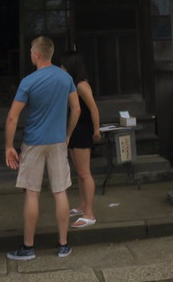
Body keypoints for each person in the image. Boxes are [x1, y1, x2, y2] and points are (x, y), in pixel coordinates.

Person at [5, 36, 80, 261]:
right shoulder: (65, 77)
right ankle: (63, 244)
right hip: (58, 140)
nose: (30, 54)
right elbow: (76, 109)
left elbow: (12, 117)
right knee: (60, 191)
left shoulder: (28, 81)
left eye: (30, 51)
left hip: (34, 142)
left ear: (37, 54)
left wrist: (9, 146)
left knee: (32, 194)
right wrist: (67, 134)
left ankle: (28, 247)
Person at [61, 52, 101, 229]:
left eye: (63, 66)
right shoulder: (71, 84)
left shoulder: (81, 84)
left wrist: (97, 129)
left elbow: (93, 108)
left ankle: (89, 213)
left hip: (83, 129)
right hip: (75, 129)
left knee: (85, 173)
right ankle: (82, 205)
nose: (61, 69)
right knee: (79, 172)